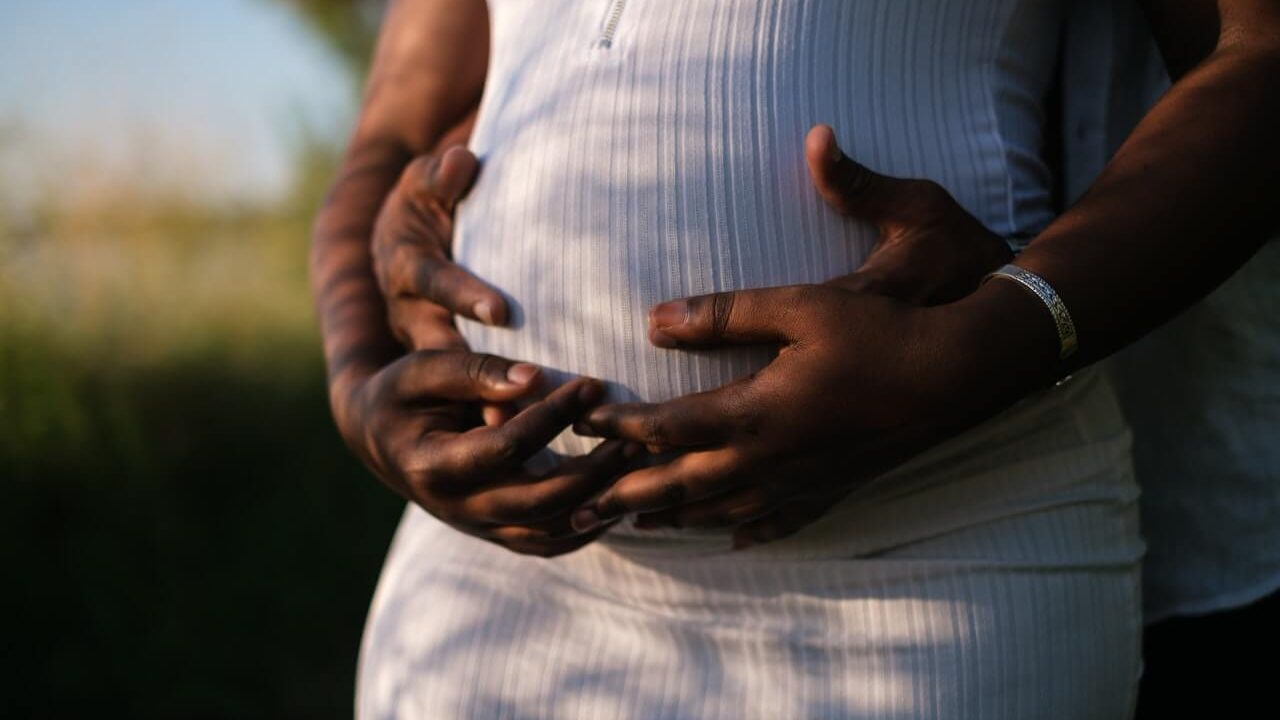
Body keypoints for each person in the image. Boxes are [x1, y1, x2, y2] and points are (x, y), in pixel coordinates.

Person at [309, 0, 1280, 717]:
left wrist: (986, 345)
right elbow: (394, 127)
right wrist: (358, 383)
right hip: (490, 581)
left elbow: (1254, 58)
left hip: (931, 561)